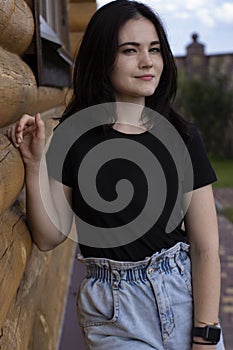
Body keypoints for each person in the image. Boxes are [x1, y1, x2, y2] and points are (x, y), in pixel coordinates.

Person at [7, 1, 225, 349]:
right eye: (129, 50)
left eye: (154, 49)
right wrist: (34, 166)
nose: (147, 62)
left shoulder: (182, 136)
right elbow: (49, 237)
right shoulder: (74, 139)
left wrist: (205, 334)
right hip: (114, 313)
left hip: (184, 297)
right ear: (101, 58)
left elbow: (205, 247)